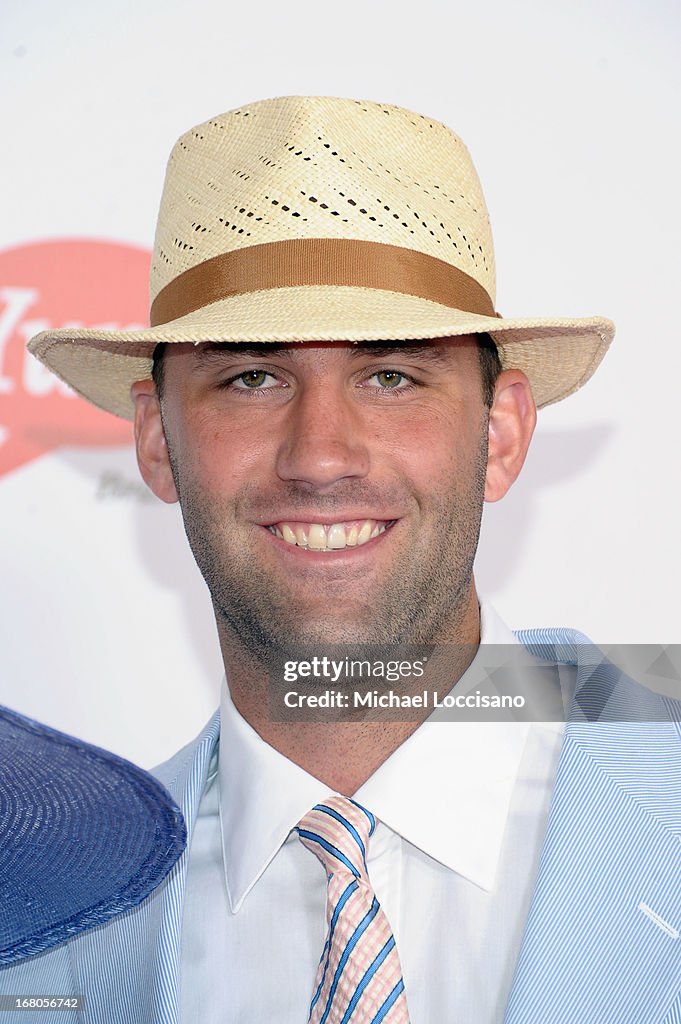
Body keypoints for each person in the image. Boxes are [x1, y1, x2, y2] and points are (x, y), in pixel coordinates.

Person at [2, 95, 679, 1023]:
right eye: (251, 378)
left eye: (391, 375)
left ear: (503, 433)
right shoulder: (42, 915)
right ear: (157, 441)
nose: (320, 455)